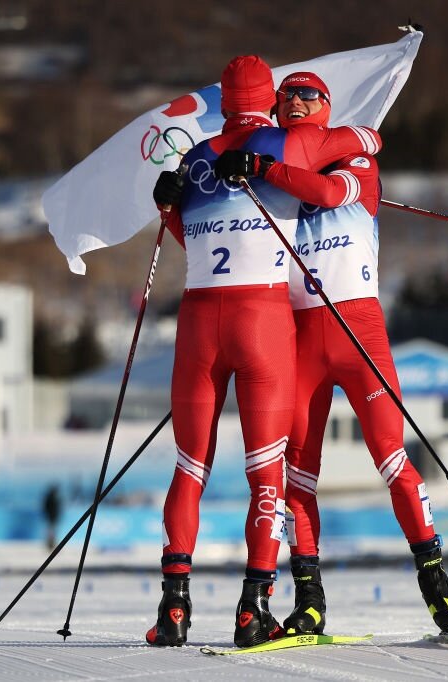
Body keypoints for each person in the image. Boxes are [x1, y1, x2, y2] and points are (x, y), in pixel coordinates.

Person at [215, 71, 448, 639]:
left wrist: (261, 169)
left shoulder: (353, 159)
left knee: (392, 460)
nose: (296, 102)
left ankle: (437, 588)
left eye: (308, 95)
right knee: (298, 478)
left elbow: (327, 194)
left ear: (326, 106)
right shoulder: (272, 180)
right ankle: (309, 599)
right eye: (286, 96)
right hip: (299, 339)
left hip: (359, 333)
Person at [145, 56, 382, 649]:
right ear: (266, 99)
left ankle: (174, 608)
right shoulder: (290, 139)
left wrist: (166, 203)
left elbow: (189, 236)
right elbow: (368, 138)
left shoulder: (194, 159)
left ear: (223, 101)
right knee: (266, 474)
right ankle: (253, 609)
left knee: (189, 467)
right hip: (263, 319)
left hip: (199, 321)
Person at [41, 484, 61, 551]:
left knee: (52, 531)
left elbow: (57, 509)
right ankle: (50, 545)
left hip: (52, 517)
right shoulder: (53, 498)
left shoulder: (54, 498)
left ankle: (51, 545)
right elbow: (46, 507)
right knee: (51, 531)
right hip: (51, 517)